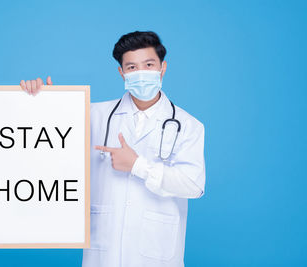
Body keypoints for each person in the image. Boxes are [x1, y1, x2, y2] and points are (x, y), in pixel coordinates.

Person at [20, 31, 206, 267]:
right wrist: (36, 99)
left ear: (163, 67)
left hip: (156, 253)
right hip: (103, 254)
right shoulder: (93, 114)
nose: (141, 73)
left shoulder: (188, 125)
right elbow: (47, 136)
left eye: (149, 65)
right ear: (122, 72)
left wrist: (138, 166)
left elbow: (193, 184)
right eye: (131, 67)